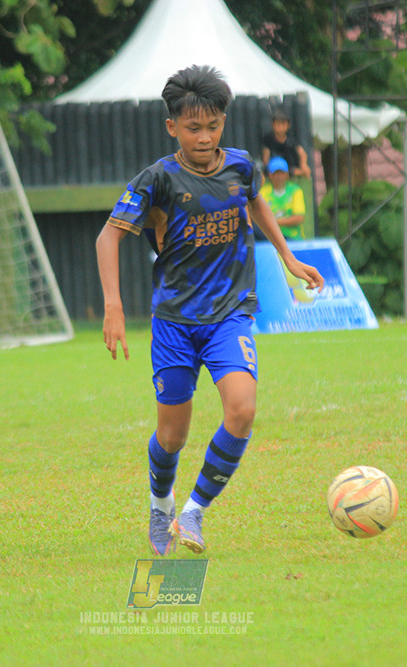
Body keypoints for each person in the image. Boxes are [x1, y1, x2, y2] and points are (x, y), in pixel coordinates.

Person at [95, 65, 323, 555]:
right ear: (172, 126)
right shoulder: (157, 179)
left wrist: (287, 256)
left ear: (224, 122)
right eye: (193, 127)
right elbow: (108, 236)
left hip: (229, 314)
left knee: (241, 408)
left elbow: (257, 202)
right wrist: (113, 306)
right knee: (171, 437)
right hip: (175, 321)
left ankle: (193, 514)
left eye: (214, 125)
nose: (205, 136)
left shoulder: (241, 166)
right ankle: (161, 506)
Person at [260, 156, 307, 241]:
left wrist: (274, 222)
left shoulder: (295, 191)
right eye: (276, 173)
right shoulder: (264, 192)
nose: (279, 177)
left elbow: (299, 218)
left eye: (282, 173)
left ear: (287, 175)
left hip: (293, 238)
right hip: (269, 238)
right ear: (270, 175)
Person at [261, 107, 310, 179]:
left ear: (288, 125)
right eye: (277, 124)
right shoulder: (268, 139)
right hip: (274, 169)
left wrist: (304, 164)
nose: (280, 127)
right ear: (272, 125)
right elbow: (266, 156)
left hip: (290, 169)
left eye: (283, 124)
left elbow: (301, 153)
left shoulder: (291, 139)